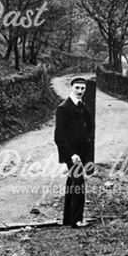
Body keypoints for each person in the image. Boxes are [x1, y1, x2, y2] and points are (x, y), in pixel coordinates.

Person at [54, 77, 94, 227]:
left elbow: (87, 129)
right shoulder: (63, 108)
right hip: (71, 153)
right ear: (71, 87)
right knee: (79, 184)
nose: (80, 91)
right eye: (77, 88)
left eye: (82, 88)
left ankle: (68, 219)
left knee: (72, 183)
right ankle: (76, 220)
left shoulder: (83, 107)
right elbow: (59, 137)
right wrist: (71, 154)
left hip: (81, 152)